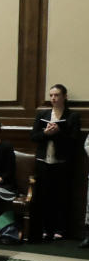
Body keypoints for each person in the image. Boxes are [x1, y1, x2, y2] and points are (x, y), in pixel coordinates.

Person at [31, 84, 82, 241]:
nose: (53, 98)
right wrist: (46, 134)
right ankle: (46, 229)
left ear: (65, 96)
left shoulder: (72, 116)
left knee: (61, 196)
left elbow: (74, 141)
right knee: (44, 196)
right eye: (51, 95)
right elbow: (34, 137)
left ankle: (60, 229)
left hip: (62, 162)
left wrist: (58, 133)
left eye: (57, 95)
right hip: (43, 161)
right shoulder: (43, 114)